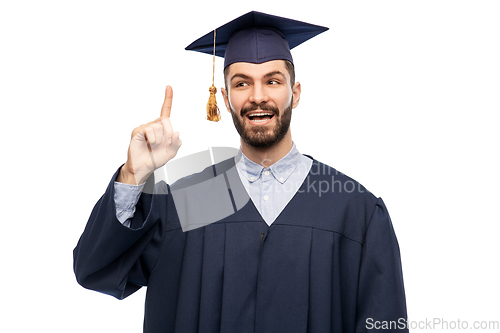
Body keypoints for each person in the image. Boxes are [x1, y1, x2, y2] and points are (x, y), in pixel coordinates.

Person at [74, 11, 408, 332]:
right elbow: (96, 270)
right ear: (225, 97)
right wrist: (134, 176)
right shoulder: (183, 203)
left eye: (273, 81)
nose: (258, 97)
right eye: (242, 83)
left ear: (295, 93)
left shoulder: (355, 211)